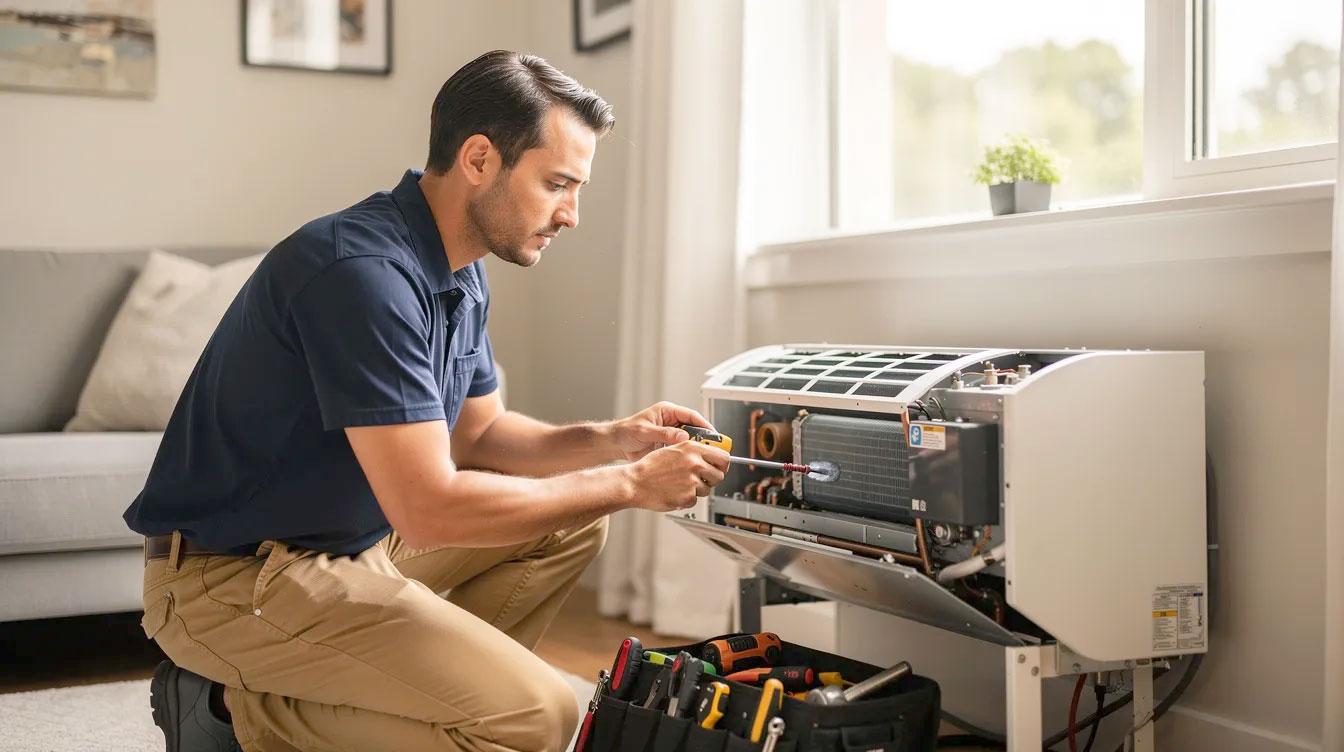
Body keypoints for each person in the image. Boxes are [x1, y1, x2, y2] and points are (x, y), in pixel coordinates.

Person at [123, 49, 729, 752]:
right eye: (557, 184)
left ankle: (429, 699)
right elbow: (429, 508)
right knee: (542, 715)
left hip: (347, 550)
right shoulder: (362, 274)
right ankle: (224, 712)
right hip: (230, 580)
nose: (572, 214)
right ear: (479, 159)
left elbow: (483, 436)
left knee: (569, 521)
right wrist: (627, 483)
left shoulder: (459, 270)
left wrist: (613, 440)